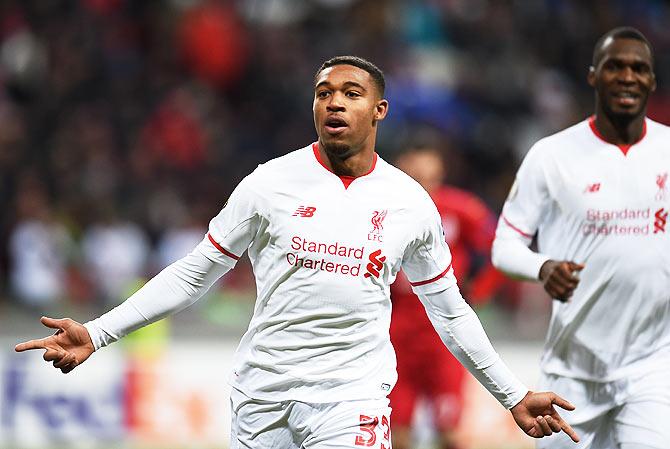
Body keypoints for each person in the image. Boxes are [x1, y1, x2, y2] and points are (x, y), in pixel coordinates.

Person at [16, 55, 578, 448]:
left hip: (351, 396)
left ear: (379, 111)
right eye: (324, 93)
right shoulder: (268, 184)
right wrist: (99, 332)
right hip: (263, 393)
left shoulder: (410, 203)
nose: (334, 103)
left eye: (351, 94)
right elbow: (195, 274)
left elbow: (450, 311)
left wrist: (512, 394)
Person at [492, 27, 669, 449]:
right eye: (615, 66)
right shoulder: (552, 155)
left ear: (652, 81)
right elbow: (503, 245)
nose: (627, 76)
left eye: (638, 68)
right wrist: (542, 266)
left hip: (653, 367)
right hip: (572, 372)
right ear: (593, 76)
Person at [389, 145, 508, 449]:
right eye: (416, 176)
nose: (424, 184)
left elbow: (501, 248)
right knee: (394, 437)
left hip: (445, 340)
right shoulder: (382, 210)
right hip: (395, 339)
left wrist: (478, 292)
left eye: (430, 176)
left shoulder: (460, 207)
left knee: (451, 435)